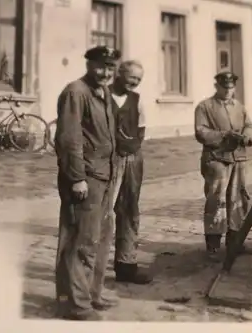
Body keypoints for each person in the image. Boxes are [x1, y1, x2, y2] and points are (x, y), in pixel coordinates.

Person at [54, 45, 121, 321]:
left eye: (110, 67)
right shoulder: (76, 92)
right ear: (89, 64)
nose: (105, 73)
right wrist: (77, 178)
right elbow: (69, 140)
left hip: (104, 174)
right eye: (100, 66)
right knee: (81, 239)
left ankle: (91, 293)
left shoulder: (103, 93)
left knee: (101, 237)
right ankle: (76, 304)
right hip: (87, 178)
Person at [194, 71, 252, 261]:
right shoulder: (205, 106)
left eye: (231, 88)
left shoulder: (239, 107)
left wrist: (246, 136)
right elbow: (200, 132)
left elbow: (249, 126)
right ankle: (213, 245)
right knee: (216, 199)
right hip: (216, 158)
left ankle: (235, 241)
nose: (228, 91)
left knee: (238, 198)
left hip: (238, 158)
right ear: (217, 87)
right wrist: (224, 135)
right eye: (224, 87)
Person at [108, 60, 152, 284]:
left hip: (132, 159)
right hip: (107, 160)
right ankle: (92, 268)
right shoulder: (102, 96)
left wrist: (131, 149)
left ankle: (126, 265)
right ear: (119, 73)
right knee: (103, 212)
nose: (134, 83)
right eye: (131, 77)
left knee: (129, 209)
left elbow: (141, 129)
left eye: (138, 79)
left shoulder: (137, 99)